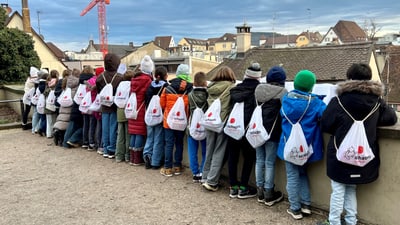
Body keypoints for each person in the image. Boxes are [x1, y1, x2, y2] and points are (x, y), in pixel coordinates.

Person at [317, 63, 397, 225]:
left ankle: (333, 222)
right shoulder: (376, 101)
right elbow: (392, 118)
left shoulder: (338, 100)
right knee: (351, 188)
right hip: (363, 155)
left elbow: (325, 124)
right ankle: (351, 220)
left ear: (349, 78)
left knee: (338, 190)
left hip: (340, 153)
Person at [277, 70, 326, 220]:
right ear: (311, 86)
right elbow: (326, 117)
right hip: (307, 147)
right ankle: (306, 205)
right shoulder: (316, 103)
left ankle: (295, 208)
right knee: (303, 174)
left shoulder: (285, 100)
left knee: (292, 176)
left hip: (288, 145)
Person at [226, 62, 261, 199]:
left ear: (246, 75)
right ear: (258, 77)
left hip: (233, 128)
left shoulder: (235, 89)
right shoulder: (259, 91)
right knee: (249, 158)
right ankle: (243, 187)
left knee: (232, 157)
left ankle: (233, 187)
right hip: (249, 129)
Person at [254, 66, 286, 205]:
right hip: (273, 133)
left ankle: (259, 192)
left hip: (257, 131)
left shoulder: (258, 90)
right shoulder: (283, 93)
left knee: (259, 160)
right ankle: (269, 193)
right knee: (269, 163)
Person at [201, 66, 236, 191]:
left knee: (209, 149)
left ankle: (204, 176)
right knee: (219, 151)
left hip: (210, 121)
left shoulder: (210, 88)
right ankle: (212, 181)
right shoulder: (231, 87)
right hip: (221, 122)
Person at [159, 64, 193, 176]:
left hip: (168, 121)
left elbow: (162, 104)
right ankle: (178, 166)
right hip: (182, 121)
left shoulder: (167, 88)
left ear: (177, 74)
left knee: (169, 144)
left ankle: (168, 168)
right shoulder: (190, 89)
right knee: (179, 143)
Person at [128, 55, 154, 165]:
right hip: (141, 109)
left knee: (133, 132)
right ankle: (137, 159)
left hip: (132, 108)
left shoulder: (133, 79)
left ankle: (132, 158)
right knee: (139, 133)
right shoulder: (148, 80)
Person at [96, 53, 123, 158]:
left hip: (104, 105)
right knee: (113, 128)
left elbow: (99, 91)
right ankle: (112, 148)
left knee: (105, 128)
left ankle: (105, 148)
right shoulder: (120, 77)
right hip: (114, 105)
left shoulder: (100, 77)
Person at [142, 66, 169, 169]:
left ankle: (147, 156)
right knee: (158, 139)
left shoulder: (150, 86)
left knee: (150, 137)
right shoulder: (165, 86)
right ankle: (155, 161)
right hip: (159, 116)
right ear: (165, 76)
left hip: (149, 116)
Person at [187, 71, 208, 182]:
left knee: (192, 150)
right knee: (205, 151)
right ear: (205, 82)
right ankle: (203, 171)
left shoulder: (190, 95)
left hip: (192, 126)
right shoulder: (207, 95)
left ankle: (195, 172)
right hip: (205, 126)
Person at [115, 70, 134, 162]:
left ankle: (119, 155)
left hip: (119, 110)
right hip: (128, 110)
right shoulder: (131, 85)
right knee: (128, 135)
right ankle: (127, 155)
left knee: (120, 135)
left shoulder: (120, 85)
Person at [63, 68, 84, 148]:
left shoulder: (68, 82)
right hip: (78, 107)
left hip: (70, 106)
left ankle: (65, 142)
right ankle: (72, 140)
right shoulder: (79, 84)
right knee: (82, 126)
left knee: (71, 126)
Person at [53, 69, 73, 146]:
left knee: (61, 120)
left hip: (61, 106)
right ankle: (62, 139)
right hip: (68, 108)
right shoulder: (70, 89)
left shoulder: (62, 89)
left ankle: (57, 132)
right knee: (66, 123)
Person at [80, 66, 95, 149]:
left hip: (84, 104)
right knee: (91, 124)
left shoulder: (81, 81)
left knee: (85, 124)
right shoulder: (92, 80)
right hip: (91, 104)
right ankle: (91, 142)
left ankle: (85, 141)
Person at [44, 70, 59, 138]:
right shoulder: (56, 82)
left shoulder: (47, 83)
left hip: (47, 103)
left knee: (48, 121)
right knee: (53, 120)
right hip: (53, 103)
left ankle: (48, 134)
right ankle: (53, 133)